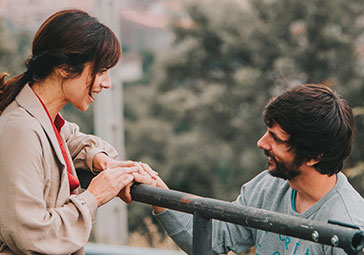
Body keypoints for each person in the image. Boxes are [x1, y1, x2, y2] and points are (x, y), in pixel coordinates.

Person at [0, 9, 155, 254]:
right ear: (64, 68)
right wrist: (94, 197)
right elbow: (30, 234)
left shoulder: (41, 118)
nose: (107, 83)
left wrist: (100, 161)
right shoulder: (21, 130)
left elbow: (70, 139)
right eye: (101, 71)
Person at [146, 84, 364, 255]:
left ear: (314, 156)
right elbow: (212, 238)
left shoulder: (349, 225)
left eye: (276, 139)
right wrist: (156, 190)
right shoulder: (269, 185)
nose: (261, 143)